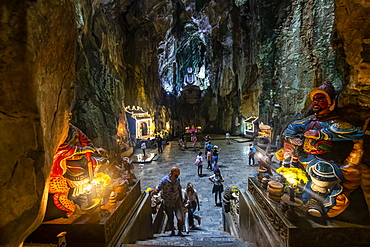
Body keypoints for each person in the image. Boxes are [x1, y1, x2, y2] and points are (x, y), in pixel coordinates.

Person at [282, 81, 363, 218]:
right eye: (314, 100)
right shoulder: (308, 121)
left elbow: (355, 133)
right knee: (288, 163)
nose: (315, 103)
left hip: (325, 160)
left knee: (322, 171)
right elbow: (290, 129)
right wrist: (292, 139)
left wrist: (321, 134)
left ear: (330, 102)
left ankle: (315, 201)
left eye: (320, 99)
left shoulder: (335, 122)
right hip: (304, 156)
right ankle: (290, 194)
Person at [152, 167, 184, 236]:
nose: (179, 173)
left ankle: (180, 231)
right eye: (178, 171)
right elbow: (158, 190)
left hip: (176, 200)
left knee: (180, 218)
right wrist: (153, 191)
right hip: (168, 202)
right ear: (174, 172)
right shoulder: (164, 181)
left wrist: (181, 199)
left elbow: (179, 188)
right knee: (170, 218)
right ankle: (172, 231)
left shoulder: (177, 179)